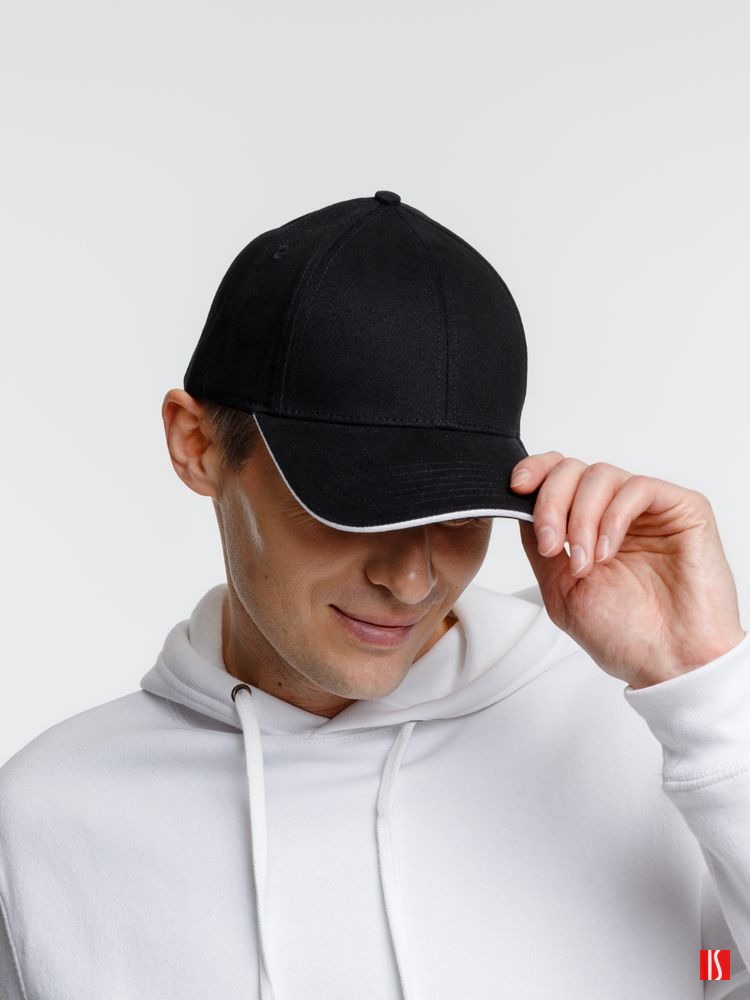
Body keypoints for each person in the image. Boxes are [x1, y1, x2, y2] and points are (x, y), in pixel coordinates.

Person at [0, 189, 748, 1000]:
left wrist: (706, 687)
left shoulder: (649, 737)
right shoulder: (47, 823)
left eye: (458, 513)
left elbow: (718, 977)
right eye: (354, 507)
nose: (413, 580)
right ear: (197, 445)